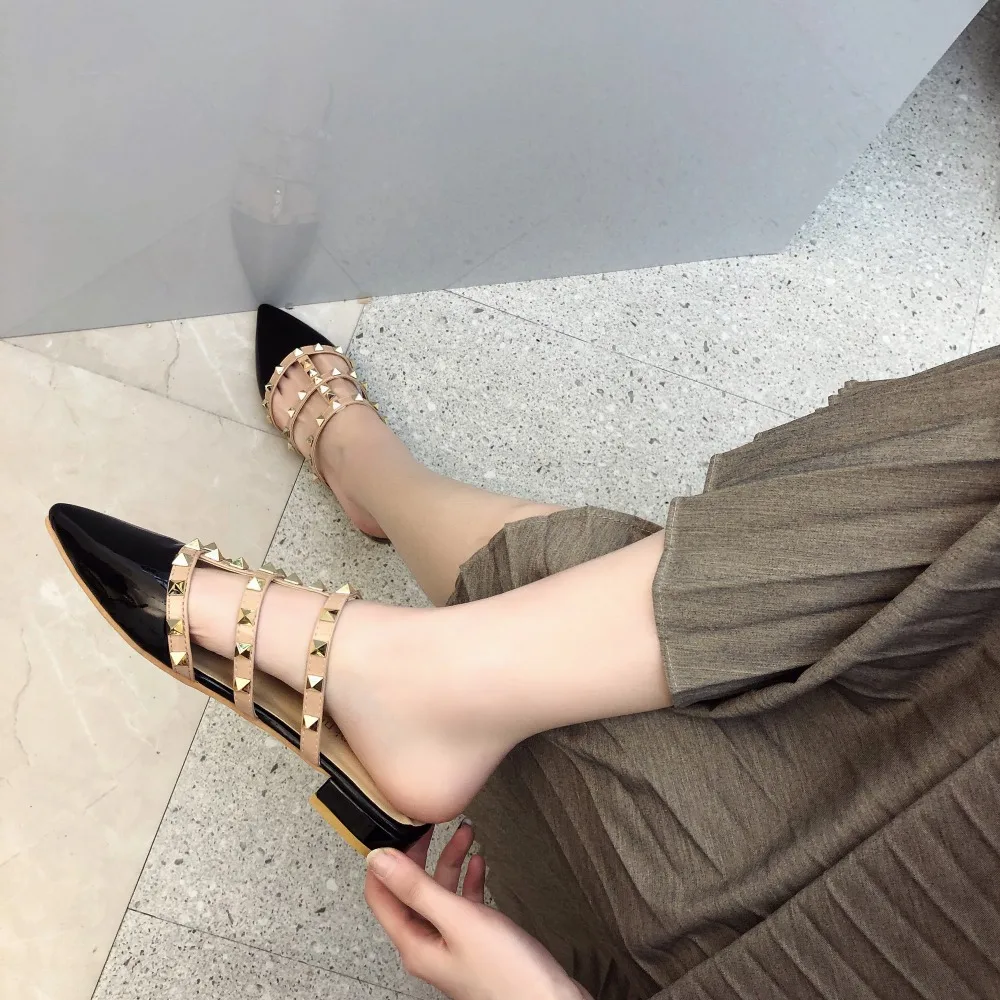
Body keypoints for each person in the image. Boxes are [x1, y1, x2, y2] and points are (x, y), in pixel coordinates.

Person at [48, 306, 1000, 1000]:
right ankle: (417, 612)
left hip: (809, 924)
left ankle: (371, 483)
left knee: (579, 639)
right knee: (574, 633)